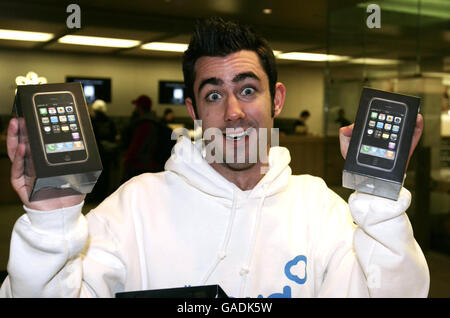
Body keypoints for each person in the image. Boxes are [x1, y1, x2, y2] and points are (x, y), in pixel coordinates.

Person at [1, 17, 428, 298]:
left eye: (247, 90)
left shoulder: (319, 209)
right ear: (193, 111)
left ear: (276, 99)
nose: (233, 112)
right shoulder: (134, 208)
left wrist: (379, 202)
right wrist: (50, 227)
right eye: (213, 95)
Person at [89, 100, 119, 202]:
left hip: (95, 152)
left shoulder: (91, 121)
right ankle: (103, 196)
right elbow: (114, 136)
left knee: (94, 175)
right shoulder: (110, 121)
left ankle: (94, 196)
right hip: (107, 153)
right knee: (106, 175)